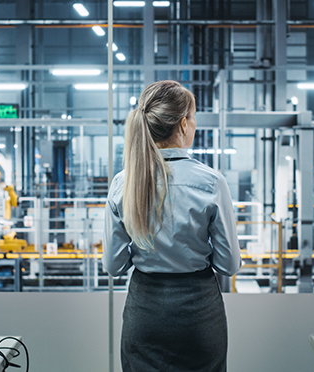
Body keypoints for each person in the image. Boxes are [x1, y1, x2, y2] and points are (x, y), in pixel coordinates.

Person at [103, 80, 242, 372]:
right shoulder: (211, 182)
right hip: (199, 315)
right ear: (182, 123)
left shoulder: (122, 183)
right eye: (193, 117)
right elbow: (228, 264)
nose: (194, 124)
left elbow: (114, 266)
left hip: (145, 312)